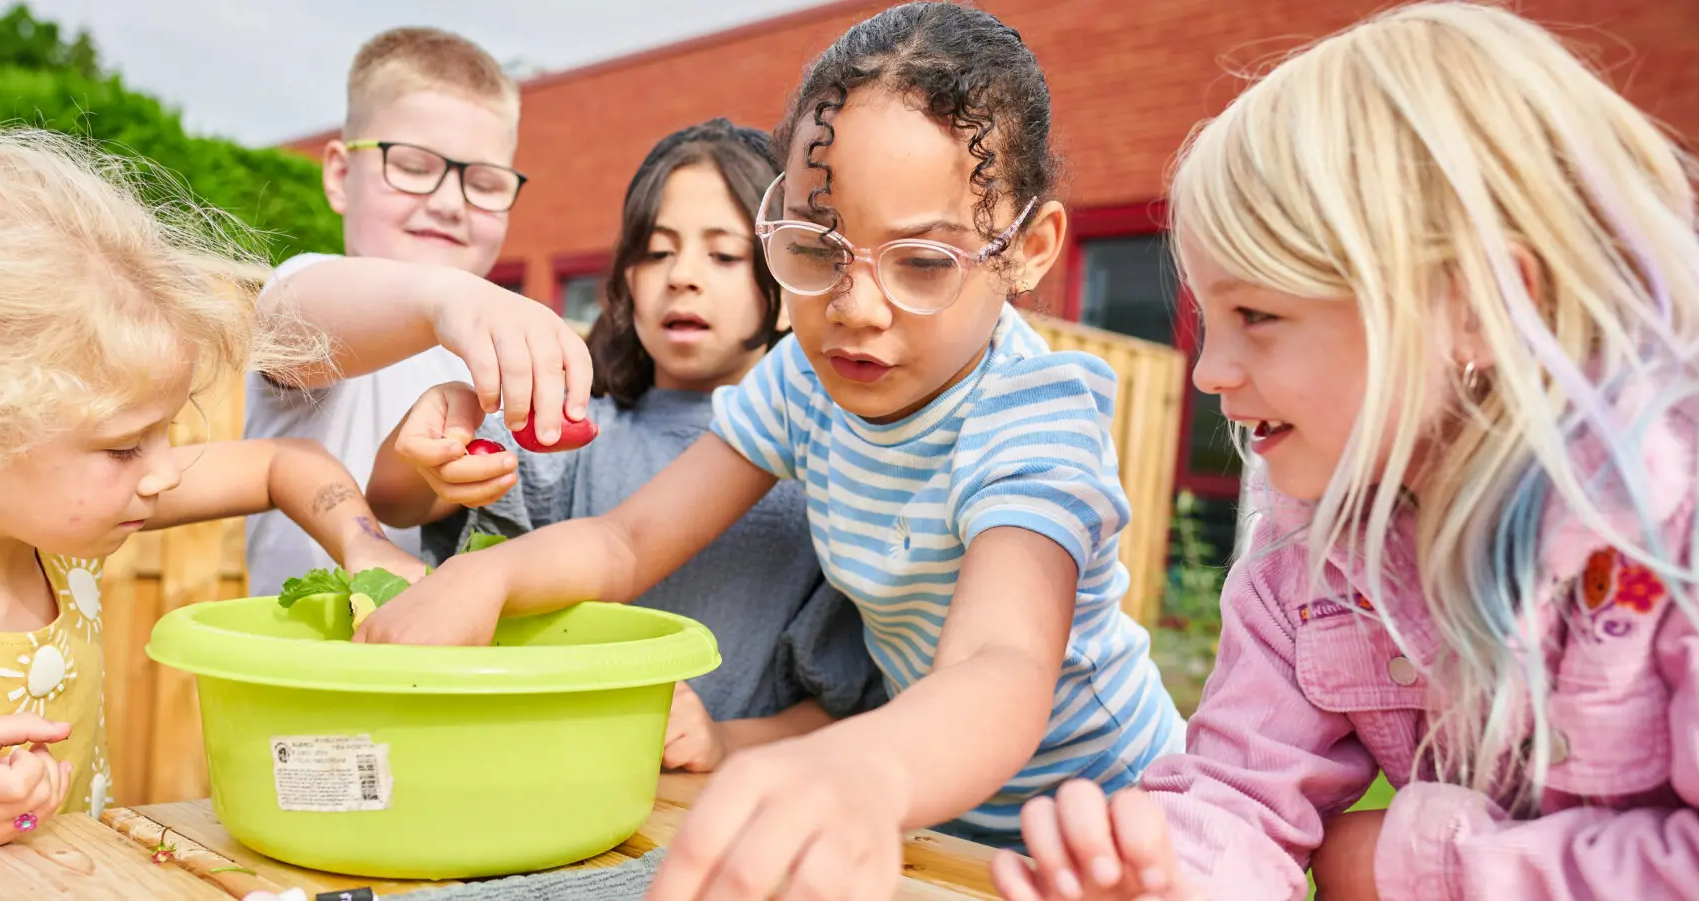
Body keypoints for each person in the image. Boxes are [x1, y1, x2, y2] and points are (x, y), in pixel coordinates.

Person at [358, 4, 1182, 896]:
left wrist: (861, 769)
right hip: (927, 815)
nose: (858, 307)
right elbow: (628, 541)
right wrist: (484, 578)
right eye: (819, 249)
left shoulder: (1034, 415)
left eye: (923, 263)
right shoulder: (804, 381)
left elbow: (1003, 665)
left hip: (1114, 824)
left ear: (1028, 251)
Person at [995, 4, 1699, 900]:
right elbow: (1237, 796)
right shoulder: (1308, 560)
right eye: (1211, 321)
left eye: (1259, 315)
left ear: (1479, 309)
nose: (1210, 370)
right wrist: (1164, 873)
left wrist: (1425, 865)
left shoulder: (1671, 524)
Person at [0, 130, 427, 848]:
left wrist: (368, 549)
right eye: (122, 446)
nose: (160, 472)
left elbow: (286, 461)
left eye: (164, 432)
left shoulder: (51, 533)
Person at [367, 118, 885, 774]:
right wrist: (436, 431)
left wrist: (725, 744)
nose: (683, 276)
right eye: (656, 251)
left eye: (723, 254)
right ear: (625, 285)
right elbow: (392, 497)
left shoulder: (826, 472)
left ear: (787, 291)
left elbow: (845, 708)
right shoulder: (567, 426)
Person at [243, 26, 590, 596]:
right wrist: (447, 296)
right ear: (339, 176)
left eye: (484, 181)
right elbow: (290, 319)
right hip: (297, 667)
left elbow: (420, 504)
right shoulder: (308, 281)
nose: (450, 203)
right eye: (411, 166)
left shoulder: (485, 347)